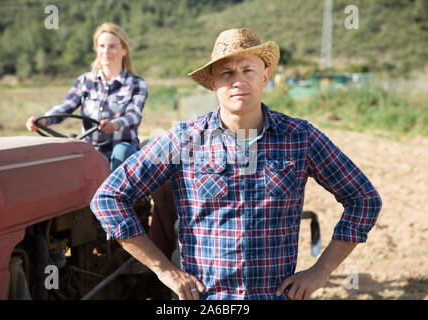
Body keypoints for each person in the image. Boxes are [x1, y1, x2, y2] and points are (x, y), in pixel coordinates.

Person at [90, 28, 382, 300]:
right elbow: (109, 198)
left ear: (265, 76)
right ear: (213, 83)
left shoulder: (300, 138)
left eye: (247, 70)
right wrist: (165, 270)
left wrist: (320, 272)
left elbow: (363, 199)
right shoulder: (183, 140)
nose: (237, 81)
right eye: (227, 73)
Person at [26, 22, 147, 172]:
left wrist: (115, 124)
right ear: (96, 49)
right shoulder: (85, 81)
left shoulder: (136, 83)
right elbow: (66, 106)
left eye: (112, 46)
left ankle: (120, 194)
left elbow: (133, 115)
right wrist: (43, 119)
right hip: (92, 151)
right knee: (65, 149)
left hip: (122, 153)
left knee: (121, 151)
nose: (106, 51)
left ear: (124, 50)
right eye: (101, 46)